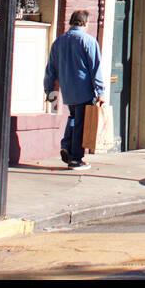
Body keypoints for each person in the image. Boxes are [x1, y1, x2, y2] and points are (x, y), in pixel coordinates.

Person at [43, 10, 105, 169]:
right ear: (85, 23)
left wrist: (49, 90)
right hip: (84, 89)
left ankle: (66, 145)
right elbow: (95, 68)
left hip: (68, 90)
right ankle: (76, 158)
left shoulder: (59, 42)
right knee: (81, 124)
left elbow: (51, 68)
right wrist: (100, 91)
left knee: (73, 117)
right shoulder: (89, 41)